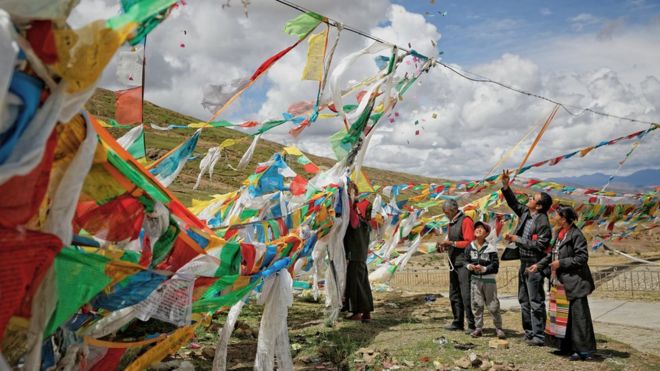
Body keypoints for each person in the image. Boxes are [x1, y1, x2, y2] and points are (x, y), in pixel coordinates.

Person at [528, 205, 596, 361]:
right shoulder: (559, 233)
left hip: (575, 282)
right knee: (562, 316)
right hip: (560, 282)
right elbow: (552, 255)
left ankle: (582, 351)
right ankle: (565, 347)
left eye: (556, 215)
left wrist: (561, 263)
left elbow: (581, 258)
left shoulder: (576, 235)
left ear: (564, 218)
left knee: (578, 317)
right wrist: (538, 265)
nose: (554, 217)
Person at [500, 169, 552, 346]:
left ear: (538, 206)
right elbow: (514, 203)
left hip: (535, 265)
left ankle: (539, 336)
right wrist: (506, 186)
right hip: (523, 262)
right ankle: (529, 332)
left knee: (536, 301)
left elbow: (539, 246)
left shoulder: (543, 222)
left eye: (532, 198)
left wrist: (517, 239)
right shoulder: (525, 213)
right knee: (523, 299)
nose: (528, 199)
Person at [436, 199, 475, 333]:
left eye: (446, 212)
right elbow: (452, 242)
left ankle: (471, 324)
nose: (445, 215)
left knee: (466, 294)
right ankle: (457, 321)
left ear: (453, 210)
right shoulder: (451, 223)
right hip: (453, 262)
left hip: (464, 263)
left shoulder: (466, 221)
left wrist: (451, 244)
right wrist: (443, 247)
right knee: (454, 293)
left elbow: (470, 242)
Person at [465, 221, 506, 339]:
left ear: (486, 233)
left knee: (493, 305)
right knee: (477, 304)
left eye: (481, 228)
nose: (478, 229)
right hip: (475, 281)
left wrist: (484, 269)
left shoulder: (491, 248)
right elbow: (465, 260)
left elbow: (495, 266)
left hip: (489, 281)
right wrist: (469, 266)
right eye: (476, 228)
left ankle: (498, 328)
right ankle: (478, 328)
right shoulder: (470, 247)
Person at [343, 181, 374, 322]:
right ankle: (366, 313)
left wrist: (349, 196)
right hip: (360, 257)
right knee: (363, 285)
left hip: (355, 257)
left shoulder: (358, 222)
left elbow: (349, 212)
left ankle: (357, 313)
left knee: (356, 286)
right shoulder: (365, 223)